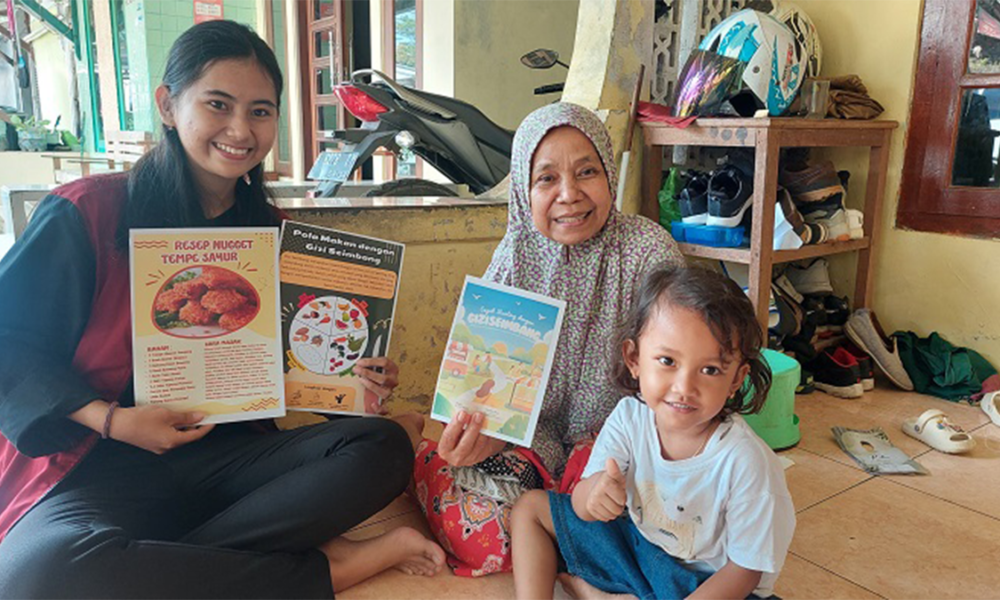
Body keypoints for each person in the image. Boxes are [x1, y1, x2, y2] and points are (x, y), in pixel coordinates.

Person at [0, 21, 443, 599]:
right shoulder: (88, 212)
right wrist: (111, 419)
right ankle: (330, 568)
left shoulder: (273, 237)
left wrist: (355, 382)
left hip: (229, 461)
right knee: (36, 576)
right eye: (218, 104)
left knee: (382, 448)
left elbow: (298, 370)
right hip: (100, 462)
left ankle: (164, 567)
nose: (240, 130)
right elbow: (11, 343)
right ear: (168, 104)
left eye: (260, 111)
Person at [395, 102, 686, 576]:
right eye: (546, 178)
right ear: (523, 192)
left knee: (651, 530)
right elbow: (484, 389)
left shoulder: (649, 252)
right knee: (490, 541)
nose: (569, 194)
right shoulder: (513, 258)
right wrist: (479, 439)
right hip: (530, 443)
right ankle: (417, 452)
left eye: (587, 171)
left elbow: (679, 368)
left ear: (610, 175)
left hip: (619, 445)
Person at [510, 265, 795, 600]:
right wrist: (595, 496)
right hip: (640, 552)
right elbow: (582, 505)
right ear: (634, 358)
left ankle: (596, 592)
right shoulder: (630, 417)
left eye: (710, 370)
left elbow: (745, 572)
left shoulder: (746, 461)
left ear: (736, 379)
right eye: (667, 361)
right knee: (530, 508)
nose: (684, 387)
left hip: (704, 584)